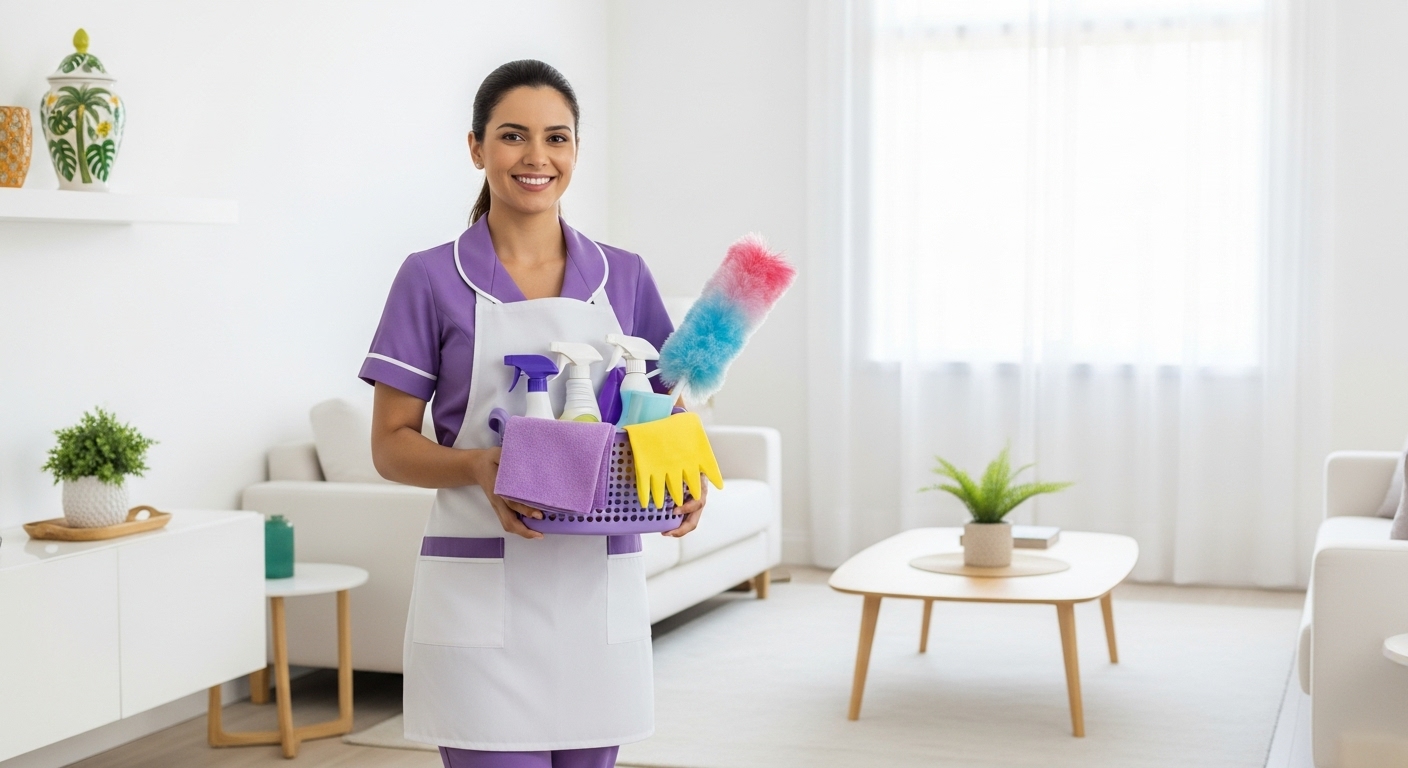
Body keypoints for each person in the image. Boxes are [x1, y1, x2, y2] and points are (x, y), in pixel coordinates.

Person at [361, 59, 705, 768]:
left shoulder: (624, 275)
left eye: (558, 138)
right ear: (477, 147)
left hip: (594, 593)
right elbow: (391, 446)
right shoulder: (431, 277)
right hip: (479, 592)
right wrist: (479, 467)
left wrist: (683, 477)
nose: (537, 157)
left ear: (577, 150)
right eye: (514, 136)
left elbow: (662, 416)